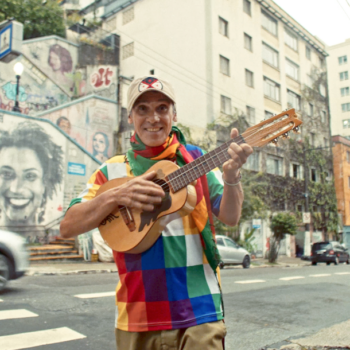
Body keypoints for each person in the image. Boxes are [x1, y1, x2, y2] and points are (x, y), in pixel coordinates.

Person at [60, 76, 253, 350]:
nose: (153, 117)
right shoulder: (112, 171)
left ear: (174, 114)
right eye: (143, 109)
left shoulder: (197, 159)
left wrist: (232, 177)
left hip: (200, 311)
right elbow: (68, 225)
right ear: (130, 117)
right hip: (137, 315)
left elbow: (230, 216)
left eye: (162, 108)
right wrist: (117, 195)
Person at [0, 121, 63, 230]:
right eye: (6, 174)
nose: (16, 189)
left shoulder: (56, 240)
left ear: (44, 183)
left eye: (30, 176)